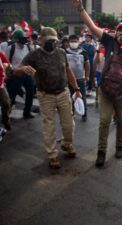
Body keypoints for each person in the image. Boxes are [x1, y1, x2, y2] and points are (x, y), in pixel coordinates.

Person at [71, 0, 122, 167]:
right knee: (104, 121)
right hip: (105, 90)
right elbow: (92, 27)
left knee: (121, 121)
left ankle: (119, 146)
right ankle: (101, 152)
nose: (120, 33)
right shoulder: (109, 41)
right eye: (119, 30)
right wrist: (80, 9)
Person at [13, 27, 82, 169]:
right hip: (45, 95)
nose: (52, 43)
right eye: (49, 40)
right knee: (48, 126)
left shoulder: (61, 52)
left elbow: (68, 71)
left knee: (69, 124)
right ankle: (52, 155)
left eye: (54, 40)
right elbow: (17, 71)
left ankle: (66, 144)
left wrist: (77, 88)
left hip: (63, 93)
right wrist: (22, 69)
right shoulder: (34, 55)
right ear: (41, 40)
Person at [5, 29, 35, 119]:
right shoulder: (11, 48)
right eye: (22, 38)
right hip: (16, 75)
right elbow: (7, 62)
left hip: (27, 74)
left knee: (30, 93)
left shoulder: (28, 48)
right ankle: (7, 113)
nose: (24, 40)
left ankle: (27, 112)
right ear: (17, 39)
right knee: (12, 95)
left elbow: (31, 60)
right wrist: (8, 74)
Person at [65, 34, 90, 121]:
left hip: (80, 79)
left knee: (82, 96)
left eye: (75, 41)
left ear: (78, 42)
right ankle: (72, 112)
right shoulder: (65, 52)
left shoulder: (83, 52)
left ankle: (84, 114)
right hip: (68, 79)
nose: (73, 43)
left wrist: (87, 76)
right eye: (72, 41)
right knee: (69, 97)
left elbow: (87, 65)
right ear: (69, 42)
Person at [0, 51, 11, 130]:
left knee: (6, 103)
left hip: (0, 84)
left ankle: (5, 120)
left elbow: (8, 63)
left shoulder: (0, 53)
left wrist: (6, 66)